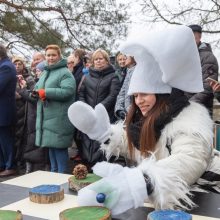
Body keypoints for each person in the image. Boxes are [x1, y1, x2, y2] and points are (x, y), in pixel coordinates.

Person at [68, 26, 220, 215]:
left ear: (163, 94)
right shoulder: (148, 120)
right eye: (135, 95)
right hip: (170, 202)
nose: (138, 101)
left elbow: (188, 160)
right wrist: (106, 134)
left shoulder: (189, 123)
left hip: (207, 198)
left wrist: (140, 182)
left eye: (145, 94)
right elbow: (130, 141)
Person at [75, 48, 121, 170]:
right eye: (96, 59)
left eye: (101, 59)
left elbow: (113, 95)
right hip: (89, 118)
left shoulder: (113, 76)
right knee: (87, 145)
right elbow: (81, 94)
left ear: (106, 60)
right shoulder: (87, 77)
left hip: (105, 117)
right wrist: (86, 109)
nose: (98, 61)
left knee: (102, 149)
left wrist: (98, 109)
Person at [34, 44, 76, 173]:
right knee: (52, 151)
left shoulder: (65, 73)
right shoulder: (46, 72)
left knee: (59, 151)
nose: (50, 58)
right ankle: (53, 180)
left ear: (59, 56)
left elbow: (68, 91)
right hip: (48, 119)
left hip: (59, 120)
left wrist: (46, 92)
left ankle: (62, 181)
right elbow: (38, 88)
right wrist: (35, 92)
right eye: (48, 55)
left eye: (53, 55)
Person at [18, 61, 49, 174]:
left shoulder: (43, 83)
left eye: (39, 70)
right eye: (36, 70)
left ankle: (37, 169)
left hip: (37, 116)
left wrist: (23, 90)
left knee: (35, 144)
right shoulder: (38, 81)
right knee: (31, 143)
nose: (37, 72)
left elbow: (34, 98)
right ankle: (31, 167)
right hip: (32, 116)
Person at [185, 24, 219, 117]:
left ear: (199, 37)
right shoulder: (186, 57)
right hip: (184, 108)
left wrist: (188, 105)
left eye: (193, 37)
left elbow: (208, 87)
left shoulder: (208, 57)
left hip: (200, 110)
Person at [13, 56, 35, 169]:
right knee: (13, 135)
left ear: (23, 65)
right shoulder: (9, 76)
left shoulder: (29, 78)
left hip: (25, 109)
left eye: (19, 64)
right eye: (15, 64)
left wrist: (22, 92)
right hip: (13, 109)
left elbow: (33, 91)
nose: (17, 66)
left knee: (23, 136)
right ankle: (13, 160)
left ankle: (21, 160)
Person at [0, 44, 17, 177]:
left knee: (6, 140)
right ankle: (3, 165)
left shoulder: (6, 67)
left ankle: (10, 166)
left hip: (4, 111)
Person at [115, 56, 136, 120]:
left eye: (126, 57)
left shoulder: (138, 71)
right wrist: (119, 109)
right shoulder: (129, 71)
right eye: (120, 59)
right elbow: (122, 91)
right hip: (127, 114)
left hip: (135, 113)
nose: (124, 59)